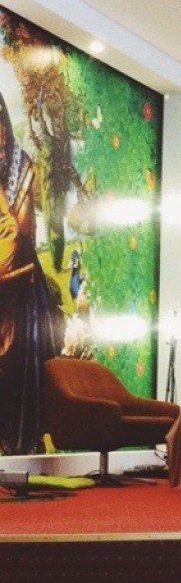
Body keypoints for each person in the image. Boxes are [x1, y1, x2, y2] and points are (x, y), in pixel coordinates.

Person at [0, 92, 57, 454]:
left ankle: (15, 443)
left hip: (17, 290)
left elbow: (20, 233)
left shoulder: (21, 169)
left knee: (16, 365)